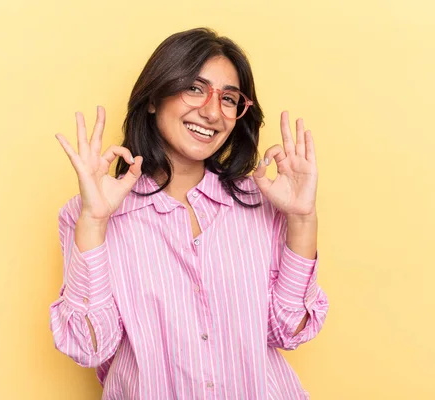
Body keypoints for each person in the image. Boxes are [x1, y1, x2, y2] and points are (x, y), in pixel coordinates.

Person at [50, 27, 329, 399]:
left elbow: (288, 331)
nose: (213, 112)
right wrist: (94, 223)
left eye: (229, 99)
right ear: (153, 97)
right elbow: (89, 347)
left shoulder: (264, 202)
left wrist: (303, 219)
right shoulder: (90, 214)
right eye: (195, 88)